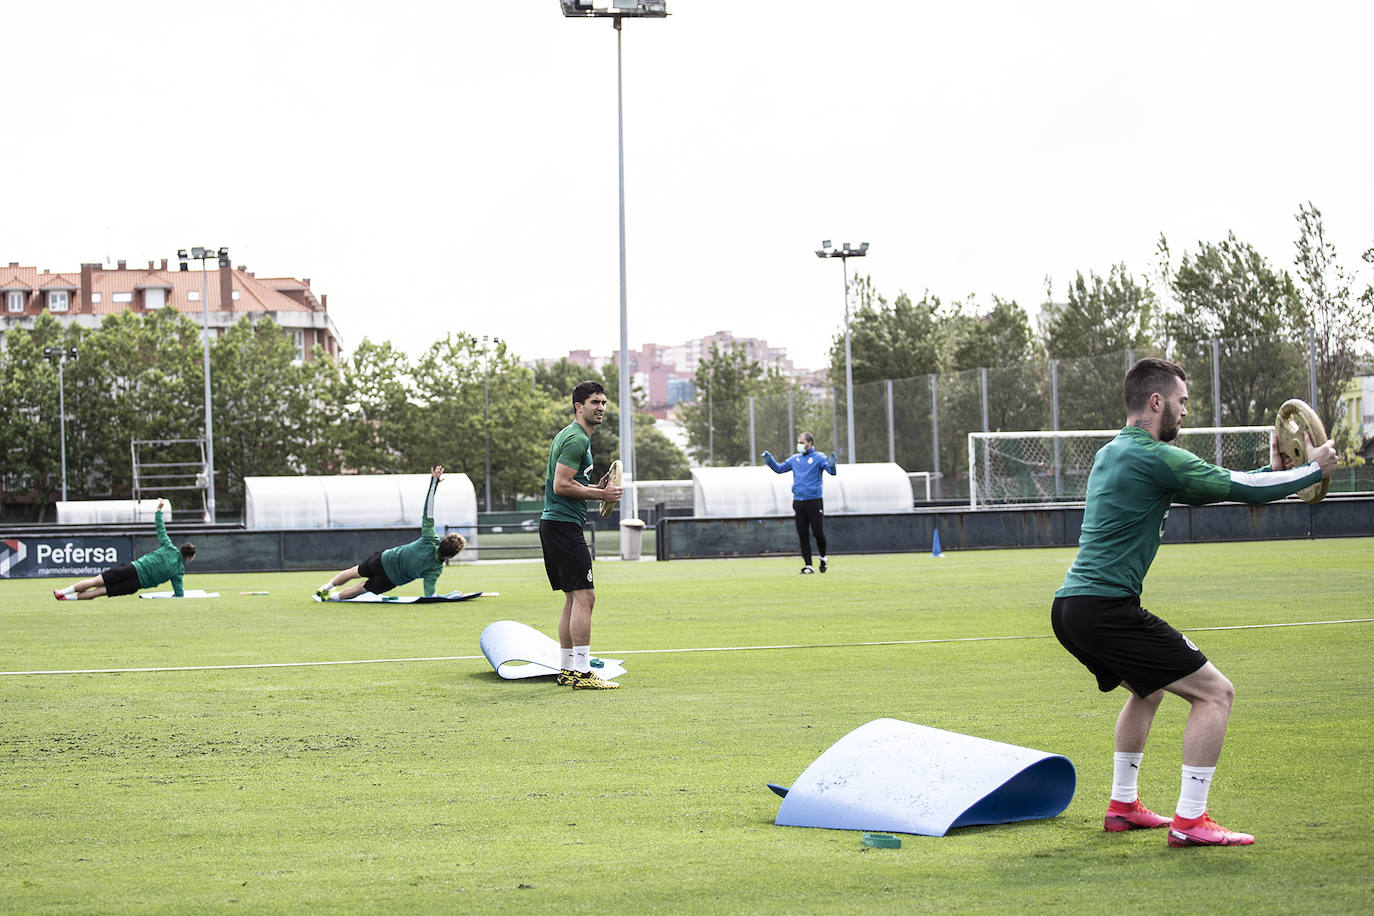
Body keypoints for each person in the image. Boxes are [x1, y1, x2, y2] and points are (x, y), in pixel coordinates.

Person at [1051, 357, 1337, 848]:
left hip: (1070, 609)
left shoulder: (1112, 453)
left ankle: (1123, 806)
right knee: (1215, 693)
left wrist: (1274, 470)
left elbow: (1218, 480)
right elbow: (1234, 487)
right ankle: (1191, 820)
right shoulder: (1154, 457)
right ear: (1156, 401)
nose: (1186, 411)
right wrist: (1312, 469)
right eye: (1182, 402)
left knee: (1151, 688)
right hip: (1106, 609)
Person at [540, 380, 623, 689]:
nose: (601, 407)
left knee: (573, 599)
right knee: (586, 597)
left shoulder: (572, 436)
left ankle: (567, 669)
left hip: (556, 525)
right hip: (562, 526)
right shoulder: (577, 439)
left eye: (603, 402)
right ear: (579, 406)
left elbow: (572, 483)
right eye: (595, 403)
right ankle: (584, 672)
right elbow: (562, 485)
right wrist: (602, 496)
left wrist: (597, 487)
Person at [314, 466, 466, 600]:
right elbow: (430, 595)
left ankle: (325, 589)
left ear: (443, 540)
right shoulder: (435, 569)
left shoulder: (430, 538)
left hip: (384, 559)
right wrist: (449, 596)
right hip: (391, 579)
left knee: (354, 571)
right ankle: (332, 598)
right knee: (360, 589)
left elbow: (428, 511)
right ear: (451, 556)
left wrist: (434, 483)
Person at [54, 498, 195, 600]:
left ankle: (63, 591)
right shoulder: (179, 571)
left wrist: (159, 509)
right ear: (188, 557)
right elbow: (179, 593)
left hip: (132, 568)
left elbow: (160, 528)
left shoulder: (169, 547)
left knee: (95, 581)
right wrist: (176, 596)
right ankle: (66, 598)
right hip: (136, 584)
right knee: (99, 592)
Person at [762, 432, 838, 574]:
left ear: (810, 443)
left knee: (818, 533)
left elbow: (831, 472)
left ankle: (822, 557)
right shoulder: (795, 459)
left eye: (802, 443)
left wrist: (832, 466)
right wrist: (770, 460)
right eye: (799, 442)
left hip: (814, 501)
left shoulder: (819, 457)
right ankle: (808, 565)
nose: (800, 445)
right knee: (803, 534)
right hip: (798, 501)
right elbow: (779, 469)